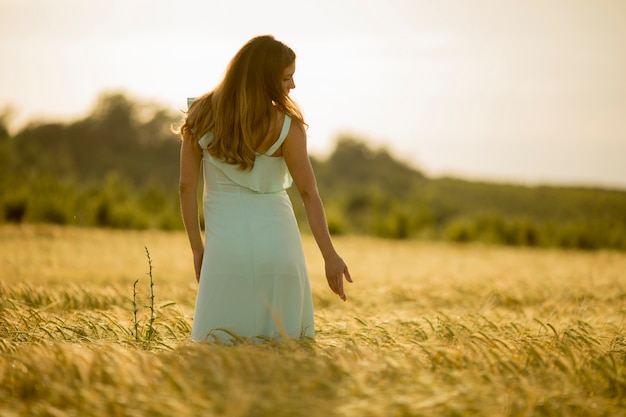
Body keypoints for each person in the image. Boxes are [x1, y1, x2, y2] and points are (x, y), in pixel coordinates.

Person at [178, 35, 352, 343]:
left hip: (225, 249)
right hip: (279, 245)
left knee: (219, 346)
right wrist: (330, 256)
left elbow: (186, 186)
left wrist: (197, 247)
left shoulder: (201, 115)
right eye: (287, 77)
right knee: (286, 345)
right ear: (266, 78)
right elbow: (309, 193)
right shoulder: (288, 125)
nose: (293, 85)